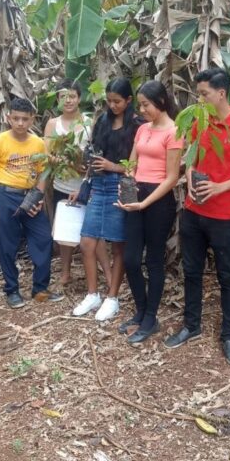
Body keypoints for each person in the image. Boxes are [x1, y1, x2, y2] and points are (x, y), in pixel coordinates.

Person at [164, 68, 230, 365]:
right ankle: (191, 325)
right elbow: (191, 160)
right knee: (192, 271)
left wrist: (221, 187)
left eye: (204, 94)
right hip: (194, 211)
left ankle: (229, 336)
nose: (200, 99)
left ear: (221, 93)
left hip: (224, 215)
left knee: (227, 276)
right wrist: (190, 176)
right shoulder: (199, 123)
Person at [116, 81, 183, 344]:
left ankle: (150, 317)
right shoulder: (143, 129)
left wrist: (145, 203)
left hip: (158, 200)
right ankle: (141, 310)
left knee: (154, 259)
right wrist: (128, 185)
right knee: (131, 258)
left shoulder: (174, 131)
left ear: (161, 102)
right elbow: (131, 163)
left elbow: (172, 177)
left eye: (146, 105)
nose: (141, 110)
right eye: (140, 105)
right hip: (137, 194)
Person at [72, 78, 144, 321]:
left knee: (118, 245)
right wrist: (88, 167)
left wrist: (113, 166)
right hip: (99, 184)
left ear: (129, 100)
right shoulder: (102, 121)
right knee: (87, 242)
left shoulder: (137, 125)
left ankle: (112, 297)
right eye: (109, 101)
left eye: (117, 101)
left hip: (121, 185)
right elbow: (95, 152)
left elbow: (138, 165)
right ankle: (92, 294)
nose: (112, 106)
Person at [0, 98, 62, 309]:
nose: (20, 123)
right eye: (16, 118)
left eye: (24, 119)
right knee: (7, 243)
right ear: (8, 118)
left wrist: (39, 197)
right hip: (5, 195)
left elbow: (42, 172)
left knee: (43, 238)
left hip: (30, 195)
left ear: (32, 120)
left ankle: (40, 288)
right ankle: (12, 290)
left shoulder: (37, 143)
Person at [43, 79, 111, 288]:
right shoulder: (53, 124)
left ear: (79, 98)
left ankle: (108, 274)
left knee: (95, 232)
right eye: (63, 97)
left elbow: (98, 152)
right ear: (57, 99)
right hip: (62, 185)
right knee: (65, 231)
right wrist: (68, 162)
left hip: (88, 185)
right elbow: (47, 154)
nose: (68, 100)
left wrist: (86, 167)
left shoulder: (89, 123)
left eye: (72, 96)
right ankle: (66, 272)